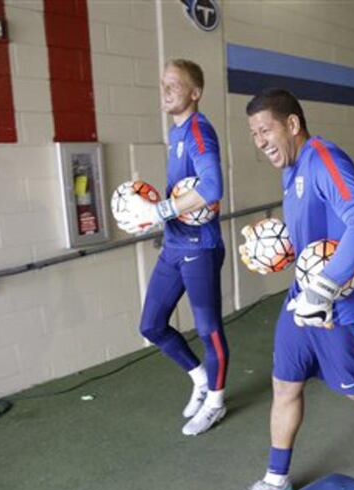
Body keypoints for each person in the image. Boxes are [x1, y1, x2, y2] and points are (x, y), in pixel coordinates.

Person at [230, 88, 354, 490]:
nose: (259, 140)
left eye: (264, 129)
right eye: (253, 134)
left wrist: (324, 288)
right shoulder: (291, 171)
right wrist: (274, 245)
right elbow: (314, 239)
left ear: (292, 124)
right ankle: (277, 478)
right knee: (284, 384)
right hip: (302, 301)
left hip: (342, 309)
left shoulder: (325, 158)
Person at [125, 59, 229, 436]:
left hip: (200, 248)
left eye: (175, 85)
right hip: (173, 245)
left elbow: (213, 188)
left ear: (195, 93)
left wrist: (161, 209)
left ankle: (216, 402)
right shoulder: (177, 132)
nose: (166, 91)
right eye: (163, 84)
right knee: (151, 325)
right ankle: (201, 379)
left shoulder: (200, 131)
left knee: (208, 330)